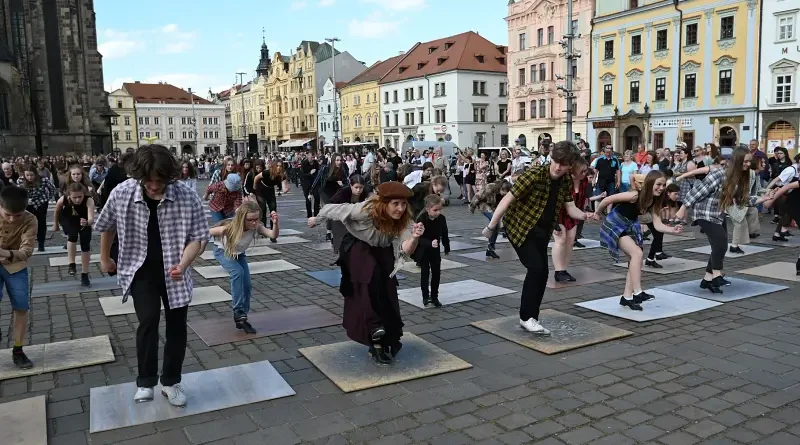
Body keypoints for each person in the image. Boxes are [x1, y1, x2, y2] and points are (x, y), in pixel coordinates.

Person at [95, 144, 209, 407]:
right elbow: (107, 226)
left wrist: (184, 263)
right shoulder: (122, 193)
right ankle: (146, 381)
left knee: (177, 327)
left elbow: (198, 237)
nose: (155, 186)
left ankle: (170, 382)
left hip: (174, 270)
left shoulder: (186, 196)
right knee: (147, 321)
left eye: (161, 181)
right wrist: (104, 257)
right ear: (139, 176)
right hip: (139, 269)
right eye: (149, 181)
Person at [308, 181, 424, 364]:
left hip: (382, 248)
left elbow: (406, 248)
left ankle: (379, 343)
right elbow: (333, 209)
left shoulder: (405, 218)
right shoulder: (364, 209)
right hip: (357, 244)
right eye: (395, 204)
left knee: (387, 287)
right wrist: (316, 219)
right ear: (384, 203)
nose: (400, 208)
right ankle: (373, 325)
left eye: (403, 204)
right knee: (369, 278)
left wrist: (415, 238)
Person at [483, 141, 592, 335]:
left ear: (570, 165)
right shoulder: (534, 175)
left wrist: (585, 215)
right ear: (551, 157)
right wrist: (492, 226)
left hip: (542, 230)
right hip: (520, 227)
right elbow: (508, 199)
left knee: (542, 274)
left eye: (564, 164)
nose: (558, 167)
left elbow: (570, 207)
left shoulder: (565, 180)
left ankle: (531, 317)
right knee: (536, 268)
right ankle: (526, 317)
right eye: (556, 161)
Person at [676, 147, 772, 293]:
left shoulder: (740, 177)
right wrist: (683, 208)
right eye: (745, 161)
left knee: (718, 245)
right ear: (737, 160)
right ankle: (716, 276)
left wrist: (762, 199)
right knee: (721, 244)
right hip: (704, 212)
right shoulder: (720, 174)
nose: (747, 164)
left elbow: (741, 200)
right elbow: (697, 191)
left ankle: (707, 280)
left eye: (749, 161)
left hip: (718, 214)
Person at [596, 171, 682, 309]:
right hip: (614, 225)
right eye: (658, 184)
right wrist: (597, 213)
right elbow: (608, 200)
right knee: (637, 253)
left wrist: (672, 230)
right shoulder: (635, 195)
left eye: (664, 185)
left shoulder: (655, 200)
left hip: (629, 225)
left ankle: (627, 297)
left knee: (634, 258)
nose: (661, 187)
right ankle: (637, 292)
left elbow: (657, 224)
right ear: (649, 183)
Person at [209, 201, 279, 333]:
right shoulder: (230, 227)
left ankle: (243, 318)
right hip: (223, 251)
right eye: (250, 220)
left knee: (247, 285)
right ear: (241, 218)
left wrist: (275, 224)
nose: (254, 223)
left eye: (256, 219)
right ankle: (238, 311)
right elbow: (205, 232)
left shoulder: (256, 226)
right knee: (238, 272)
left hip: (239, 254)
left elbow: (273, 235)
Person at [0, 186, 37, 369]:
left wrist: (6, 253)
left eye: (17, 215)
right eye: (8, 215)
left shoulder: (30, 220)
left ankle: (18, 350)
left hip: (16, 267)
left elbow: (27, 250)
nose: (12, 219)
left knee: (21, 306)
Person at [552, 158, 603, 282]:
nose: (585, 173)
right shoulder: (564, 181)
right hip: (558, 213)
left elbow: (586, 198)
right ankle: (558, 271)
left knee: (570, 241)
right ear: (574, 170)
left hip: (574, 213)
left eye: (585, 171)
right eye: (582, 171)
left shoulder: (584, 182)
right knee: (561, 239)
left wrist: (587, 214)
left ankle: (564, 269)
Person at [53, 183, 95, 286]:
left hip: (84, 219)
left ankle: (84, 274)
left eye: (80, 197)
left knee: (85, 245)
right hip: (68, 218)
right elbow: (57, 210)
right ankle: (72, 264)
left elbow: (91, 218)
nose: (77, 200)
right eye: (74, 197)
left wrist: (87, 222)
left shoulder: (89, 200)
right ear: (69, 196)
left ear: (83, 194)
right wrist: (55, 224)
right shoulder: (63, 199)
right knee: (72, 236)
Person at [414, 194, 450, 307]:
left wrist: (446, 246)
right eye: (435, 210)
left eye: (440, 209)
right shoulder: (421, 219)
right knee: (425, 273)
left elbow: (444, 233)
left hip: (435, 251)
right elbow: (417, 238)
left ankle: (435, 296)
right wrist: (429, 243)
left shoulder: (441, 219)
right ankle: (425, 296)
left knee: (436, 274)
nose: (438, 212)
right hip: (424, 250)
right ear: (427, 209)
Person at [470, 179, 512, 259]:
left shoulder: (504, 194)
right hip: (484, 205)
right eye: (504, 193)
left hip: (494, 207)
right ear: (501, 189)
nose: (504, 195)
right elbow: (478, 196)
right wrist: (472, 206)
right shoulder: (490, 187)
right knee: (494, 220)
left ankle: (490, 249)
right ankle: (489, 236)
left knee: (496, 226)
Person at [18, 164, 55, 252]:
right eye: (27, 175)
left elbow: (52, 189)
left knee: (41, 223)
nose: (30, 177)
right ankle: (27, 243)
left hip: (41, 202)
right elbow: (19, 192)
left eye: (31, 175)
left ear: (35, 174)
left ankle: (41, 243)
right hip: (27, 203)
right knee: (27, 224)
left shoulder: (43, 180)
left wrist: (47, 198)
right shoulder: (20, 180)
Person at [329, 174, 369, 254]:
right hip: (339, 220)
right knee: (342, 244)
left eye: (360, 187)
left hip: (354, 220)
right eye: (356, 187)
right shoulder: (343, 192)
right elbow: (332, 203)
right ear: (351, 186)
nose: (358, 190)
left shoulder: (364, 193)